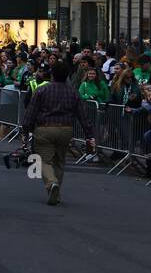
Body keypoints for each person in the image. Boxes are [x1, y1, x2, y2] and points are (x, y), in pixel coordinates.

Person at [22, 62, 96, 206]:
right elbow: (82, 114)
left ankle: (52, 184)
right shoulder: (73, 91)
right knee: (59, 161)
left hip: (44, 128)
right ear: (67, 75)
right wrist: (89, 134)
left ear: (52, 74)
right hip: (65, 129)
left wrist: (25, 129)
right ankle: (56, 192)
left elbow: (31, 111)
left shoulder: (42, 90)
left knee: (43, 160)